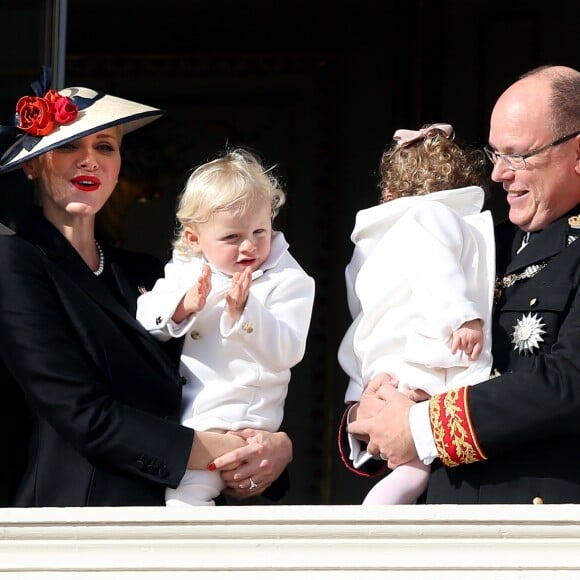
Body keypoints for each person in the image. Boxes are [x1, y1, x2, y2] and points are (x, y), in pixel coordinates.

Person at [0, 66, 292, 507]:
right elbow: (83, 413)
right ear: (35, 166)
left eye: (105, 146)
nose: (89, 159)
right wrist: (226, 452)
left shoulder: (146, 274)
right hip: (68, 526)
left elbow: (218, 374)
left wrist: (274, 448)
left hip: (172, 514)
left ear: (118, 167)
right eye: (68, 147)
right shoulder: (14, 262)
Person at [343, 64, 580, 504]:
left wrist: (421, 426)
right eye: (495, 155)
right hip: (441, 521)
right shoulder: (482, 238)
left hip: (544, 531)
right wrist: (374, 406)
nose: (498, 175)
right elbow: (395, 317)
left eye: (518, 156)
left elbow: (570, 381)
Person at [136, 148, 315, 506]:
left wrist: (246, 312)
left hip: (239, 423)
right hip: (185, 424)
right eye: (232, 237)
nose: (249, 245)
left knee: (184, 506)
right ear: (194, 238)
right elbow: (145, 318)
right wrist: (184, 305)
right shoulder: (186, 268)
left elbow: (288, 352)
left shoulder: (289, 278)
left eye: (259, 230)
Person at [338, 123, 495, 504]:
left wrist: (360, 385)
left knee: (411, 458)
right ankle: (382, 506)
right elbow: (437, 266)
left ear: (389, 192)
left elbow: (361, 311)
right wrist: (462, 315)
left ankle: (382, 505)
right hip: (429, 354)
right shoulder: (433, 215)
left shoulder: (371, 242)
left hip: (385, 363)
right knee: (416, 458)